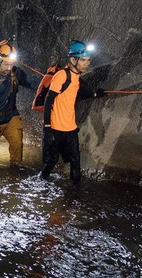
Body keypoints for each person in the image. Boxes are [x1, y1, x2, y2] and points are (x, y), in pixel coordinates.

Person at [40, 41, 105, 184]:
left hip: (70, 128)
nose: (87, 63)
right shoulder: (62, 76)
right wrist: (47, 127)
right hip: (56, 127)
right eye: (83, 60)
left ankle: (75, 193)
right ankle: (40, 183)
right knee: (52, 161)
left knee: (75, 160)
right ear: (73, 60)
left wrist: (95, 95)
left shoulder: (76, 78)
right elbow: (48, 101)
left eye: (88, 60)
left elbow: (78, 91)